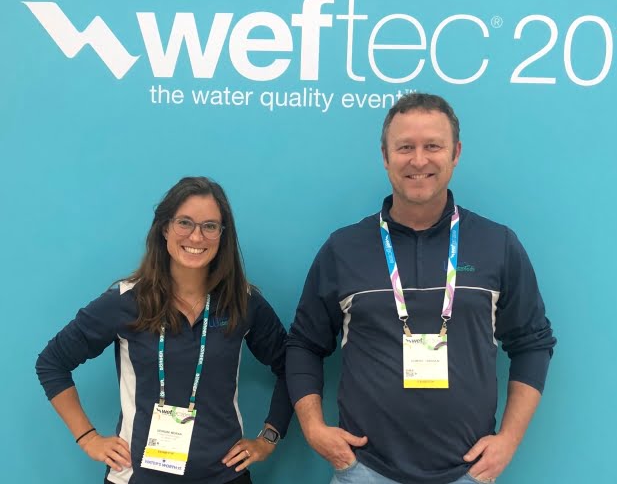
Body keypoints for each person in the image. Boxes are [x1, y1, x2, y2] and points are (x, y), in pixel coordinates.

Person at [286, 93, 556, 484]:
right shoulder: (344, 248)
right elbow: (304, 344)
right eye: (405, 147)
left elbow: (533, 343)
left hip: (467, 473)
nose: (418, 160)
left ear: (456, 152)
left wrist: (509, 440)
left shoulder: (497, 244)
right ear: (385, 155)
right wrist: (313, 428)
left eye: (433, 146)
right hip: (365, 471)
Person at [37, 177, 292, 484]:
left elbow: (293, 365)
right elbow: (52, 363)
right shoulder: (126, 301)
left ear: (223, 236)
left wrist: (269, 437)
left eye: (210, 226)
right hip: (138, 476)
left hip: (224, 476)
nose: (196, 236)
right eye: (185, 222)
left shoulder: (242, 301)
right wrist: (88, 438)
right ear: (164, 228)